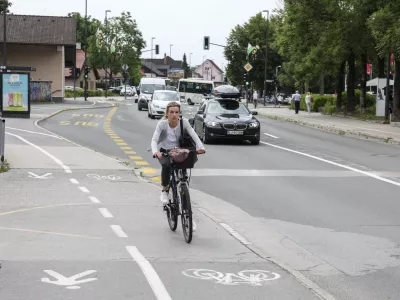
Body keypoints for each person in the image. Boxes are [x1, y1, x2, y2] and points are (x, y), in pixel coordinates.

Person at [151, 101, 206, 207]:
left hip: (179, 151)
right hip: (164, 151)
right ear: (167, 113)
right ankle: (164, 191)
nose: (174, 114)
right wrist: (155, 151)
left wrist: (201, 147)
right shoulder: (162, 124)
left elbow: (193, 135)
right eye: (171, 112)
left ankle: (183, 186)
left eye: (176, 112)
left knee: (185, 164)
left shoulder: (184, 122)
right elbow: (154, 140)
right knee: (166, 166)